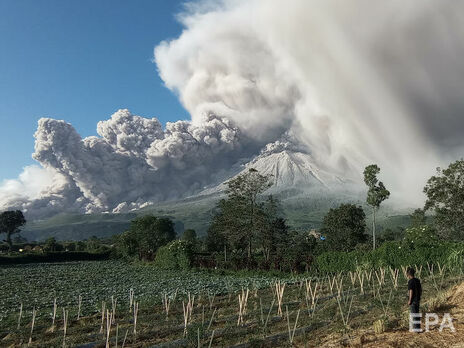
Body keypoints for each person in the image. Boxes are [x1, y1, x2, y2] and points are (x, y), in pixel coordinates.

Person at [407, 267, 422, 332]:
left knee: (414, 314)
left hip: (413, 300)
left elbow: (411, 291)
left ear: (408, 274)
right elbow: (421, 290)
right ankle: (418, 327)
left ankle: (416, 329)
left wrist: (410, 300)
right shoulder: (417, 280)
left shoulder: (410, 282)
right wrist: (419, 296)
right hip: (418, 299)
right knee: (417, 313)